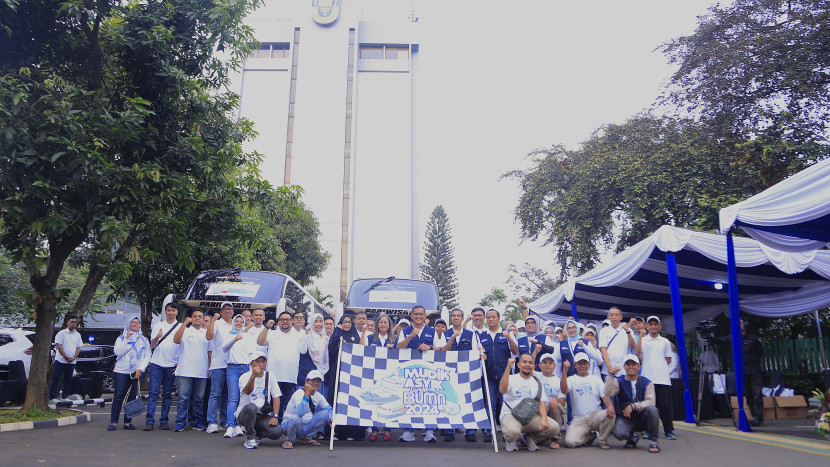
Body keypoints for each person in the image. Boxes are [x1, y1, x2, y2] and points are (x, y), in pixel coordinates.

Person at [500, 353, 560, 452]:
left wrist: (544, 419)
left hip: (530, 417)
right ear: (518, 365)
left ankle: (530, 438)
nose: (527, 365)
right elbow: (502, 390)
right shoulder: (511, 378)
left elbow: (541, 403)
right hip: (511, 415)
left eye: (530, 363)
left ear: (533, 366)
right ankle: (511, 440)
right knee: (512, 432)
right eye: (524, 362)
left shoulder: (537, 382)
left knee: (554, 428)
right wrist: (508, 368)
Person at [396, 305, 438, 443]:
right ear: (412, 316)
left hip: (429, 373)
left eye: (421, 314)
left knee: (429, 400)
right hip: (409, 373)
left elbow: (441, 349)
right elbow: (399, 347)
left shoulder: (433, 331)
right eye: (416, 314)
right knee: (408, 401)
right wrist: (411, 336)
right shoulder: (406, 331)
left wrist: (430, 347)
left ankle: (429, 430)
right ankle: (409, 431)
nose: (418, 316)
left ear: (425, 316)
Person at [477, 309, 519, 443]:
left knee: (505, 403)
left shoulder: (506, 334)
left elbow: (515, 351)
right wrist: (480, 356)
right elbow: (477, 354)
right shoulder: (481, 335)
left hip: (504, 375)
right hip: (488, 375)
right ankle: (490, 431)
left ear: (498, 319)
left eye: (493, 317)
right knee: (490, 404)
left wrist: (509, 338)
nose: (490, 319)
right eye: (488, 317)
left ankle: (507, 429)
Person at [713, 317, 764, 426]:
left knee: (757, 393)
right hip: (741, 371)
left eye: (740, 323)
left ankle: (758, 417)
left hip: (754, 369)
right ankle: (755, 416)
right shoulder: (732, 338)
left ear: (745, 325)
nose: (738, 326)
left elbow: (759, 353)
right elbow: (719, 341)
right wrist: (707, 336)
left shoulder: (753, 339)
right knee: (748, 394)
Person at [604, 354, 661, 453]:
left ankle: (653, 441)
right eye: (628, 364)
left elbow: (650, 402)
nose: (631, 367)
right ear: (624, 367)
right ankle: (631, 437)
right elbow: (608, 392)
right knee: (619, 434)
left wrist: (633, 406)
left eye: (634, 364)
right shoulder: (620, 380)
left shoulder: (647, 382)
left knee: (653, 410)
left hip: (642, 416)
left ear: (639, 366)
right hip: (626, 417)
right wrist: (611, 376)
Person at [560, 353, 614, 449]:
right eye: (580, 363)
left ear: (589, 364)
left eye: (585, 363)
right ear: (575, 365)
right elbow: (564, 390)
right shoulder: (571, 379)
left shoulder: (596, 380)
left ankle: (601, 440)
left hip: (595, 416)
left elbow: (605, 397)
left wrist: (610, 407)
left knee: (610, 414)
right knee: (570, 442)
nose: (583, 366)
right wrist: (564, 371)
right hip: (579, 419)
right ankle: (588, 437)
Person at [635, 316, 676, 440]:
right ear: (647, 326)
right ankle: (649, 430)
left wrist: (658, 366)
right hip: (647, 378)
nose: (653, 326)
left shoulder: (665, 342)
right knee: (648, 406)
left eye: (655, 324)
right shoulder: (644, 340)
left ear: (660, 326)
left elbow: (668, 359)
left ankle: (669, 430)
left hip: (663, 378)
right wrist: (641, 338)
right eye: (651, 324)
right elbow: (637, 354)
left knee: (665, 406)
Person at [257, 311, 302, 421]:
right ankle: (275, 424)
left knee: (289, 403)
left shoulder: (298, 335)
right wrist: (267, 327)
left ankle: (287, 426)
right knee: (275, 402)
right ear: (278, 321)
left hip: (290, 376)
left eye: (288, 319)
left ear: (292, 321)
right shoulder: (272, 333)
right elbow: (260, 342)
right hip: (274, 375)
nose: (285, 322)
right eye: (282, 319)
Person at [144, 303, 182, 431]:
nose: (171, 312)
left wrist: (179, 363)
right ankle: (149, 421)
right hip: (157, 363)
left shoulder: (181, 326)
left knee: (167, 394)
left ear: (177, 312)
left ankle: (164, 421)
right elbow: (152, 345)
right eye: (169, 310)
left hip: (171, 365)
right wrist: (157, 337)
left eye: (173, 310)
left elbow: (183, 347)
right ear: (165, 311)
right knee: (153, 393)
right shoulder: (158, 325)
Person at [108, 316, 150, 431]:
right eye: (133, 322)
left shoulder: (143, 340)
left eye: (138, 322)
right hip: (121, 371)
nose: (136, 324)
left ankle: (128, 421)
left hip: (135, 372)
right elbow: (118, 352)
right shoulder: (121, 338)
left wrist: (140, 369)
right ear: (129, 324)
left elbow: (147, 356)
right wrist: (127, 338)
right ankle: (113, 422)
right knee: (119, 396)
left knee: (132, 397)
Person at [172, 310, 210, 432]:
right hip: (185, 370)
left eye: (200, 317)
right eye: (195, 316)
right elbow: (176, 340)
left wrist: (209, 368)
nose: (197, 318)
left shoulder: (207, 333)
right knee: (183, 398)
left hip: (201, 370)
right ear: (191, 318)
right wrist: (184, 324)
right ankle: (180, 421)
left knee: (199, 398)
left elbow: (210, 352)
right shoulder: (185, 331)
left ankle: (196, 421)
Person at [328, 314, 364, 441]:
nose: (347, 324)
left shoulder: (356, 336)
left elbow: (360, 353)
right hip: (337, 371)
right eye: (344, 322)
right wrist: (338, 333)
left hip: (351, 372)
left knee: (351, 400)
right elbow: (331, 350)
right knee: (337, 399)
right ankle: (336, 432)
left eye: (349, 322)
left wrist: (348, 345)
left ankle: (353, 432)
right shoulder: (336, 335)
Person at [236, 351, 283, 449]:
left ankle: (257, 434)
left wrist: (275, 416)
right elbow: (247, 391)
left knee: (277, 432)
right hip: (245, 413)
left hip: (262, 414)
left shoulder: (270, 376)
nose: (261, 365)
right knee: (251, 407)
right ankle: (250, 438)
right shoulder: (244, 377)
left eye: (263, 362)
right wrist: (253, 376)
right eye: (257, 362)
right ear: (251, 364)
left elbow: (276, 397)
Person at [222, 314, 256, 438]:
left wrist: (252, 371)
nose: (239, 323)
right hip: (232, 368)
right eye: (236, 321)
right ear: (233, 322)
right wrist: (234, 339)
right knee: (232, 398)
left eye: (241, 322)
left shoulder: (247, 336)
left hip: (245, 368)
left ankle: (239, 425)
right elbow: (224, 348)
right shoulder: (228, 335)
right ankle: (230, 425)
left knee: (244, 398)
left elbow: (252, 353)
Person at [365, 313, 398, 442]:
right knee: (374, 401)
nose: (383, 324)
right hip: (373, 374)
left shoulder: (395, 339)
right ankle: (374, 429)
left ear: (389, 325)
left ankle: (387, 429)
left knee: (388, 402)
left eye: (386, 322)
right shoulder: (369, 338)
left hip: (389, 375)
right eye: (381, 322)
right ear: (377, 325)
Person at [280, 369, 332, 449]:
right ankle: (289, 440)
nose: (316, 383)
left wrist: (330, 418)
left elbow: (329, 409)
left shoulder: (318, 396)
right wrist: (307, 393)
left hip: (305, 426)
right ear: (306, 382)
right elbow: (301, 412)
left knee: (325, 414)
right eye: (313, 380)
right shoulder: (299, 393)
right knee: (296, 418)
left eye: (318, 381)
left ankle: (307, 438)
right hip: (289, 425)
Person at [205, 302, 234, 434]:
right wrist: (213, 320)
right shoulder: (216, 323)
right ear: (221, 312)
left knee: (227, 395)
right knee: (215, 394)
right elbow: (209, 336)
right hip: (218, 364)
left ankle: (224, 421)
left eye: (230, 309)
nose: (228, 311)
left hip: (232, 364)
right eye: (225, 309)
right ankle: (211, 422)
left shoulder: (235, 323)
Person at [50, 314, 83, 403]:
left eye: (75, 322)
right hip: (61, 360)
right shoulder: (62, 333)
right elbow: (59, 345)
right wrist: (65, 356)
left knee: (68, 379)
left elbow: (78, 347)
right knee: (56, 378)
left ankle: (65, 396)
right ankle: (52, 397)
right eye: (72, 322)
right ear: (67, 323)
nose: (74, 324)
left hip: (72, 361)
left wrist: (75, 357)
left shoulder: (78, 335)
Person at [535, 354, 565, 448]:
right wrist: (535, 351)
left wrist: (556, 400)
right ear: (539, 365)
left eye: (550, 363)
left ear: (555, 366)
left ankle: (554, 438)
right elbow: (527, 364)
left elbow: (563, 400)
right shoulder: (535, 375)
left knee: (557, 406)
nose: (547, 365)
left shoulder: (558, 381)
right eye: (544, 362)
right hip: (538, 410)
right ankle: (541, 437)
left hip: (550, 410)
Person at [298, 314, 330, 398]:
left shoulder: (325, 338)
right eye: (316, 321)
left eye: (320, 321)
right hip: (307, 374)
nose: (318, 324)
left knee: (319, 401)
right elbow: (302, 350)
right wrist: (306, 334)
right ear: (312, 323)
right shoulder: (306, 335)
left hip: (320, 375)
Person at [599, 307, 635, 379]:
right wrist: (610, 368)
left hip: (625, 371)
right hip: (608, 371)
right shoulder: (604, 331)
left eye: (616, 315)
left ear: (621, 317)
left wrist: (627, 331)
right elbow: (603, 349)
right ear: (608, 317)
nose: (614, 317)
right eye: (612, 315)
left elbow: (633, 346)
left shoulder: (628, 330)